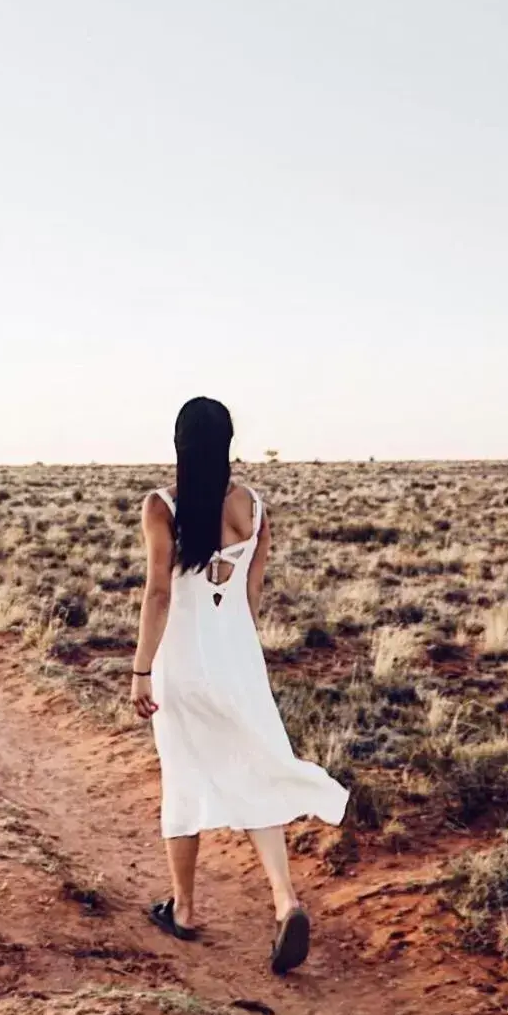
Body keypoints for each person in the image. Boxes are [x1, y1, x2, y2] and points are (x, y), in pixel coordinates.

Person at [130, 397, 348, 974]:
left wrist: (141, 668)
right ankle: (285, 900)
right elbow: (250, 596)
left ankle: (184, 907)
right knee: (253, 772)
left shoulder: (163, 506)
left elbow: (158, 594)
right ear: (226, 442)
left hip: (181, 663)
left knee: (182, 777)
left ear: (180, 444)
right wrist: (235, 649)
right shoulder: (253, 507)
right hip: (238, 662)